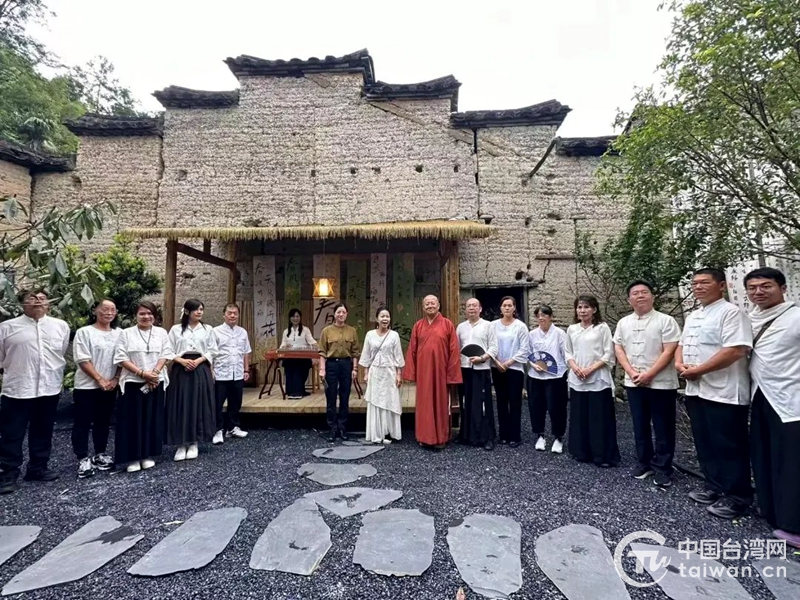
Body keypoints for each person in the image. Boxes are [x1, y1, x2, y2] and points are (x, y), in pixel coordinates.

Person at [676, 268, 753, 520]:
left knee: (729, 445)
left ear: (721, 285)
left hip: (725, 392)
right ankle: (713, 485)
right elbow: (682, 345)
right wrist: (680, 365)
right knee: (705, 441)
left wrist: (698, 369)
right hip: (697, 389)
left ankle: (737, 497)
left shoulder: (731, 313)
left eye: (704, 283)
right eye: (695, 283)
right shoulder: (694, 316)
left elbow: (735, 350)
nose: (698, 287)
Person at [744, 267, 800, 547]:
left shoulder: (796, 317)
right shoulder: (749, 319)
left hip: (792, 400)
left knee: (791, 462)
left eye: (766, 286)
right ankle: (772, 511)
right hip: (761, 395)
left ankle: (795, 524)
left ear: (783, 288)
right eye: (753, 288)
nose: (758, 292)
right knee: (765, 456)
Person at [0, 290, 70, 494]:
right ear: (22, 304)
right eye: (31, 298)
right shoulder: (7, 328)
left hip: (49, 387)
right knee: (12, 434)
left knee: (43, 430)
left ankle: (37, 468)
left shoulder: (60, 326)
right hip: (19, 388)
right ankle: (7, 474)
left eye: (42, 298)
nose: (37, 301)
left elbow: (61, 351)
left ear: (49, 303)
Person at [613, 281, 681, 487]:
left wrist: (650, 373)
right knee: (639, 424)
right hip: (634, 381)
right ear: (629, 299)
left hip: (660, 382)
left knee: (663, 425)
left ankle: (663, 467)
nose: (640, 296)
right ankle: (644, 461)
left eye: (644, 292)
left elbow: (670, 350)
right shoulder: (623, 322)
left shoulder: (666, 320)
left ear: (652, 297)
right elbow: (619, 349)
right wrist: (632, 372)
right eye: (635, 293)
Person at [114, 301, 174, 473]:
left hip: (155, 381)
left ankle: (147, 454)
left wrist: (154, 373)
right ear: (136, 315)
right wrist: (142, 373)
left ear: (154, 316)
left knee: (151, 419)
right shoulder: (126, 334)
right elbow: (121, 357)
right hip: (133, 382)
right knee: (132, 421)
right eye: (142, 314)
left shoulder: (161, 333)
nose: (146, 317)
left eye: (149, 313)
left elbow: (166, 353)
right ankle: (132, 457)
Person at [565, 295, 619, 468]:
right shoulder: (572, 329)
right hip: (578, 378)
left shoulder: (602, 328)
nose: (582, 310)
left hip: (597, 378)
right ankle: (581, 452)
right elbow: (568, 352)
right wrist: (575, 367)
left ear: (594, 309)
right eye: (579, 307)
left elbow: (608, 354)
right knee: (579, 417)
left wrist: (590, 369)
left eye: (586, 307)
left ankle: (602, 455)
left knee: (599, 417)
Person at [71, 299, 122, 479]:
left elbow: (122, 358)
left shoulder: (119, 334)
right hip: (87, 385)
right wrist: (99, 379)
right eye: (105, 309)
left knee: (103, 420)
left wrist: (115, 378)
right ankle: (83, 457)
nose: (108, 312)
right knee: (82, 422)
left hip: (110, 385)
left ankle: (100, 453)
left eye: (112, 310)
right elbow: (83, 359)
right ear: (95, 311)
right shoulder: (85, 332)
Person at [403, 295, 462, 449]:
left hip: (441, 373)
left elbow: (454, 351)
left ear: (439, 305)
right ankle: (424, 437)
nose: (430, 305)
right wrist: (412, 372)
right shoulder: (418, 326)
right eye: (427, 303)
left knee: (441, 404)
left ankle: (441, 438)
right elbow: (412, 351)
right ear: (423, 307)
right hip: (424, 373)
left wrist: (452, 374)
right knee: (424, 404)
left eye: (432, 303)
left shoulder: (447, 324)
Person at [166, 299, 218, 461]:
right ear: (187, 311)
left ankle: (194, 441)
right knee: (181, 404)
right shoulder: (176, 329)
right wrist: (181, 361)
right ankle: (181, 443)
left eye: (201, 309)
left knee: (198, 403)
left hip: (200, 367)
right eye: (196, 309)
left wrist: (199, 361)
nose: (199, 312)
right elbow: (168, 349)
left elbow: (213, 350)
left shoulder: (207, 329)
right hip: (180, 369)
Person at [456, 298, 498, 450]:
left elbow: (493, 348)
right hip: (464, 368)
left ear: (480, 309)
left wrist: (482, 358)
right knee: (466, 402)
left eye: (474, 305)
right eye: (468, 306)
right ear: (465, 310)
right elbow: (457, 348)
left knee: (482, 403)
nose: (471, 308)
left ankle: (486, 437)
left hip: (482, 369)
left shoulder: (488, 326)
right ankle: (466, 435)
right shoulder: (461, 327)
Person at [527, 305, 568, 454]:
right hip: (535, 376)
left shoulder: (559, 334)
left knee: (556, 407)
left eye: (544, 315)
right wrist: (533, 364)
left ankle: (558, 437)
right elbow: (528, 353)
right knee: (536, 407)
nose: (541, 318)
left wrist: (566, 370)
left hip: (555, 376)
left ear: (551, 317)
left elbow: (565, 353)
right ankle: (540, 435)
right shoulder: (532, 334)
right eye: (538, 315)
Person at [360, 307, 405, 444]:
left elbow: (398, 356)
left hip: (389, 371)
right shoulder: (370, 335)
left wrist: (399, 374)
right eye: (382, 316)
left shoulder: (394, 335)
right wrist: (366, 373)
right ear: (377, 319)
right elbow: (366, 355)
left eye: (387, 316)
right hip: (375, 372)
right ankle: (376, 432)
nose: (385, 319)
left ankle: (389, 432)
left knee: (390, 400)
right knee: (375, 401)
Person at [491, 296, 530, 448]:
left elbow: (524, 349)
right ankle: (503, 435)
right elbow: (490, 345)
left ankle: (515, 435)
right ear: (500, 308)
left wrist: (507, 363)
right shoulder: (493, 325)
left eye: (510, 305)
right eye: (504, 305)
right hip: (496, 367)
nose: (507, 308)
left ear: (514, 308)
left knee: (514, 402)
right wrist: (496, 362)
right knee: (500, 401)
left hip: (514, 368)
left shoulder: (520, 326)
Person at [318, 303, 360, 442]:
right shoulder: (327, 331)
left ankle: (342, 427)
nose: (341, 314)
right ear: (334, 314)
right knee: (330, 397)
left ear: (347, 314)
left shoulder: (352, 331)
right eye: (338, 312)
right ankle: (332, 428)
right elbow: (322, 352)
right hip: (331, 365)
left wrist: (354, 369)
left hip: (346, 365)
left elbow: (355, 352)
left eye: (343, 312)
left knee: (345, 395)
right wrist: (322, 369)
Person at [212, 303, 252, 444]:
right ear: (224, 314)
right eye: (230, 313)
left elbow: (246, 352)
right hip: (221, 372)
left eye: (235, 313)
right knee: (218, 402)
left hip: (238, 372)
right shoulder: (215, 331)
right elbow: (211, 353)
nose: (232, 315)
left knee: (235, 402)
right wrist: (211, 371)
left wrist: (246, 369)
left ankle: (232, 428)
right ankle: (217, 430)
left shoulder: (243, 332)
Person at [280, 308, 317, 399]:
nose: (295, 318)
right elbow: (282, 345)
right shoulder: (286, 331)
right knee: (288, 364)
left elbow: (312, 342)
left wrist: (317, 351)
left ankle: (297, 392)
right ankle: (291, 391)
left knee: (298, 366)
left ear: (300, 318)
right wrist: (284, 347)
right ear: (290, 318)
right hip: (290, 357)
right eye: (293, 316)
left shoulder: (305, 330)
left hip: (303, 358)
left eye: (297, 316)